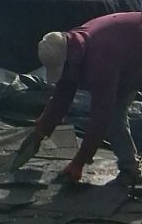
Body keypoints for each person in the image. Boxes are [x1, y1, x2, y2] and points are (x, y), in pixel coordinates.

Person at [9, 13, 142, 185]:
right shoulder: (68, 48)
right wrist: (40, 131)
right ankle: (130, 168)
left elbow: (101, 116)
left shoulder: (100, 60)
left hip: (133, 54)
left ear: (69, 61)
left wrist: (79, 161)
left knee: (113, 116)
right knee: (114, 115)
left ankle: (129, 168)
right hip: (127, 53)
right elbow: (61, 97)